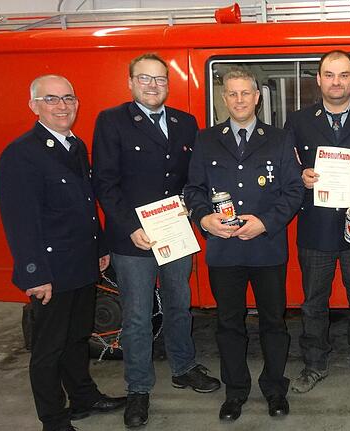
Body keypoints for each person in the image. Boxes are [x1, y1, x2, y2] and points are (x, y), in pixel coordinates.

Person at [92, 53, 220, 428]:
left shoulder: (185, 123)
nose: (153, 85)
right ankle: (138, 389)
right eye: (145, 79)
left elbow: (192, 179)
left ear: (169, 83)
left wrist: (193, 211)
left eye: (160, 79)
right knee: (136, 316)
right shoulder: (112, 121)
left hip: (175, 232)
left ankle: (183, 367)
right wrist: (131, 225)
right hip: (133, 238)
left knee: (180, 304)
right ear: (131, 82)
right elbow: (105, 182)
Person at [0, 75, 126, 431]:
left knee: (77, 337)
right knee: (48, 349)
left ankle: (84, 397)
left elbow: (86, 204)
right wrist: (34, 272)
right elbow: (20, 221)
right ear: (34, 106)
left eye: (68, 98)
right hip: (52, 269)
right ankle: (53, 419)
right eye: (51, 99)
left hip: (82, 262)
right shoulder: (22, 154)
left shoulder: (75, 145)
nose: (62, 106)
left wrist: (99, 248)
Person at [183, 67, 304, 421]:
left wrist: (264, 223)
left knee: (273, 323)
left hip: (266, 247)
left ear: (257, 97)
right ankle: (235, 392)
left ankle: (274, 390)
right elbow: (193, 189)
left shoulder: (280, 139)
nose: (239, 100)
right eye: (232, 94)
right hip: (223, 250)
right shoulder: (206, 139)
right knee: (228, 323)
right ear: (224, 99)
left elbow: (293, 190)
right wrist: (204, 219)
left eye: (245, 93)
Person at [284, 50, 350, 394]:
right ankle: (314, 364)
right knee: (313, 302)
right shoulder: (298, 122)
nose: (336, 82)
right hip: (315, 228)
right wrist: (301, 177)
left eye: (344, 75)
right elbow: (286, 170)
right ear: (319, 79)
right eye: (329, 74)